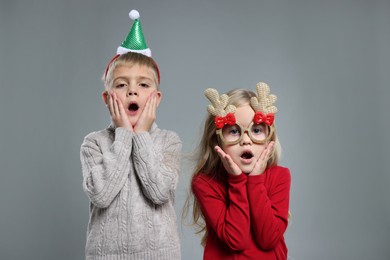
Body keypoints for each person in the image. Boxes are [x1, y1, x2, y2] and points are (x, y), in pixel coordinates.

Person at [80, 10, 181, 260]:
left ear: (156, 99)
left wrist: (142, 135)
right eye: (122, 85)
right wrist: (124, 133)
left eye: (143, 85)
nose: (132, 92)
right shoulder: (94, 143)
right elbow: (101, 195)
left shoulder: (169, 141)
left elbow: (158, 192)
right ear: (107, 98)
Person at [186, 82, 291, 259]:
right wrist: (237, 181)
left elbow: (268, 239)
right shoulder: (205, 182)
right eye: (234, 132)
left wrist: (255, 181)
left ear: (268, 139)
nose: (246, 140)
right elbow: (236, 240)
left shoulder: (280, 176)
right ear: (217, 141)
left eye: (256, 130)